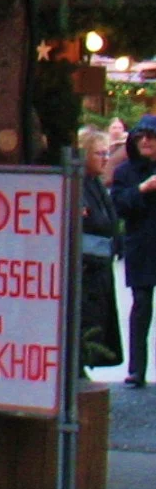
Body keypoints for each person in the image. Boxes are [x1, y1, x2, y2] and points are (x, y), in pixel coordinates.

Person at [108, 118, 156, 386]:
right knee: (141, 307)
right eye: (141, 137)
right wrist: (142, 189)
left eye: (151, 137)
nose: (146, 142)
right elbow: (118, 205)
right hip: (141, 246)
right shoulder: (125, 171)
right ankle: (136, 369)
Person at [79, 124, 124, 373]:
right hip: (87, 268)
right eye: (99, 153)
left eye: (107, 153)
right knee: (88, 321)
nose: (106, 159)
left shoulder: (96, 184)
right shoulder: (80, 185)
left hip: (101, 267)